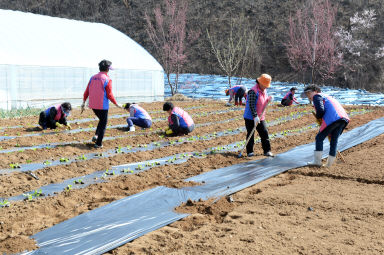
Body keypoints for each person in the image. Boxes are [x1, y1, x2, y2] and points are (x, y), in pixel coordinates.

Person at [304, 84, 350, 167]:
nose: (308, 96)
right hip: (343, 119)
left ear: (315, 91)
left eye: (309, 93)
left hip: (333, 119)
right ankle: (329, 164)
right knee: (333, 140)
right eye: (306, 95)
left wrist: (318, 117)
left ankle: (317, 161)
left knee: (319, 137)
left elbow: (321, 110)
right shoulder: (328, 96)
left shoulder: (317, 96)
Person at [81, 60, 121, 148]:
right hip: (102, 106)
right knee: (103, 123)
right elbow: (110, 95)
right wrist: (116, 104)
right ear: (107, 69)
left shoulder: (93, 77)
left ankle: (96, 135)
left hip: (93, 105)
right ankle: (98, 143)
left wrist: (83, 102)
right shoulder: (107, 79)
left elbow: (87, 91)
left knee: (101, 120)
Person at [243, 74, 274, 157]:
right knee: (251, 134)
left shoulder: (264, 90)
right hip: (250, 117)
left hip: (261, 116)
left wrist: (269, 99)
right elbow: (251, 105)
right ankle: (250, 152)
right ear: (260, 83)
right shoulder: (253, 91)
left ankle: (267, 151)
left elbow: (263, 101)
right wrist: (255, 116)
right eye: (265, 85)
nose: (266, 87)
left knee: (264, 133)